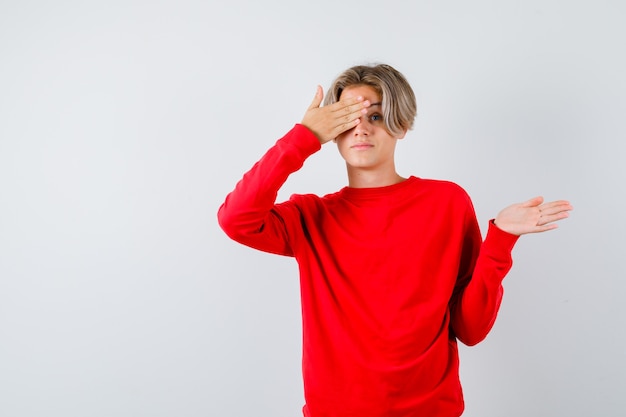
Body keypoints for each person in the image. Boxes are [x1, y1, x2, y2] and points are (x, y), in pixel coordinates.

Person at [217, 64, 572, 417]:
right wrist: (304, 137)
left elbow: (470, 328)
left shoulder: (446, 203)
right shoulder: (310, 217)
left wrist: (501, 240)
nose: (361, 129)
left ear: (400, 124)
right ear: (333, 132)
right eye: (346, 117)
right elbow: (236, 219)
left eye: (375, 116)